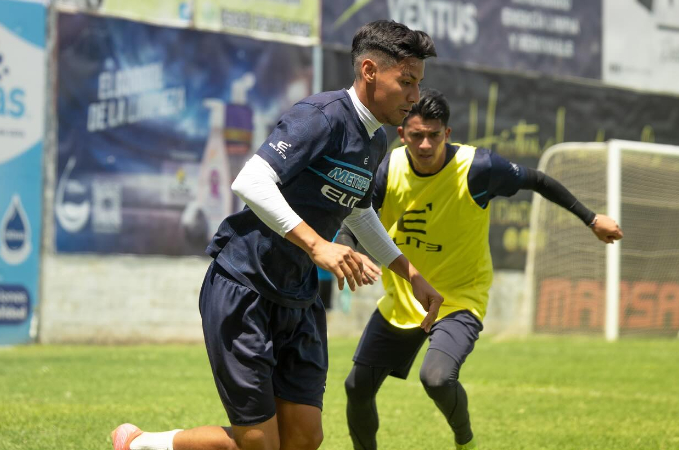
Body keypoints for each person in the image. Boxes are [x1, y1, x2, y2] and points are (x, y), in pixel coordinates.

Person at [111, 20, 443, 450]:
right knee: (260, 445)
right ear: (369, 71)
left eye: (418, 83)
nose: (415, 96)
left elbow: (359, 212)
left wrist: (410, 273)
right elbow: (250, 181)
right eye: (407, 81)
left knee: (304, 438)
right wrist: (318, 245)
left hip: (298, 297)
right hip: (245, 288)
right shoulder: (321, 117)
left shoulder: (376, 141)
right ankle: (140, 444)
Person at [336, 89, 624, 450]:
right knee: (357, 387)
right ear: (402, 134)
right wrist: (344, 247)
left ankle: (465, 442)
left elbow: (536, 180)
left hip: (459, 300)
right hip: (404, 300)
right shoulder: (387, 169)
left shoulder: (478, 168)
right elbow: (358, 217)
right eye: (416, 135)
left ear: (447, 134)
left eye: (434, 135)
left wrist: (592, 219)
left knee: (437, 379)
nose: (425, 145)